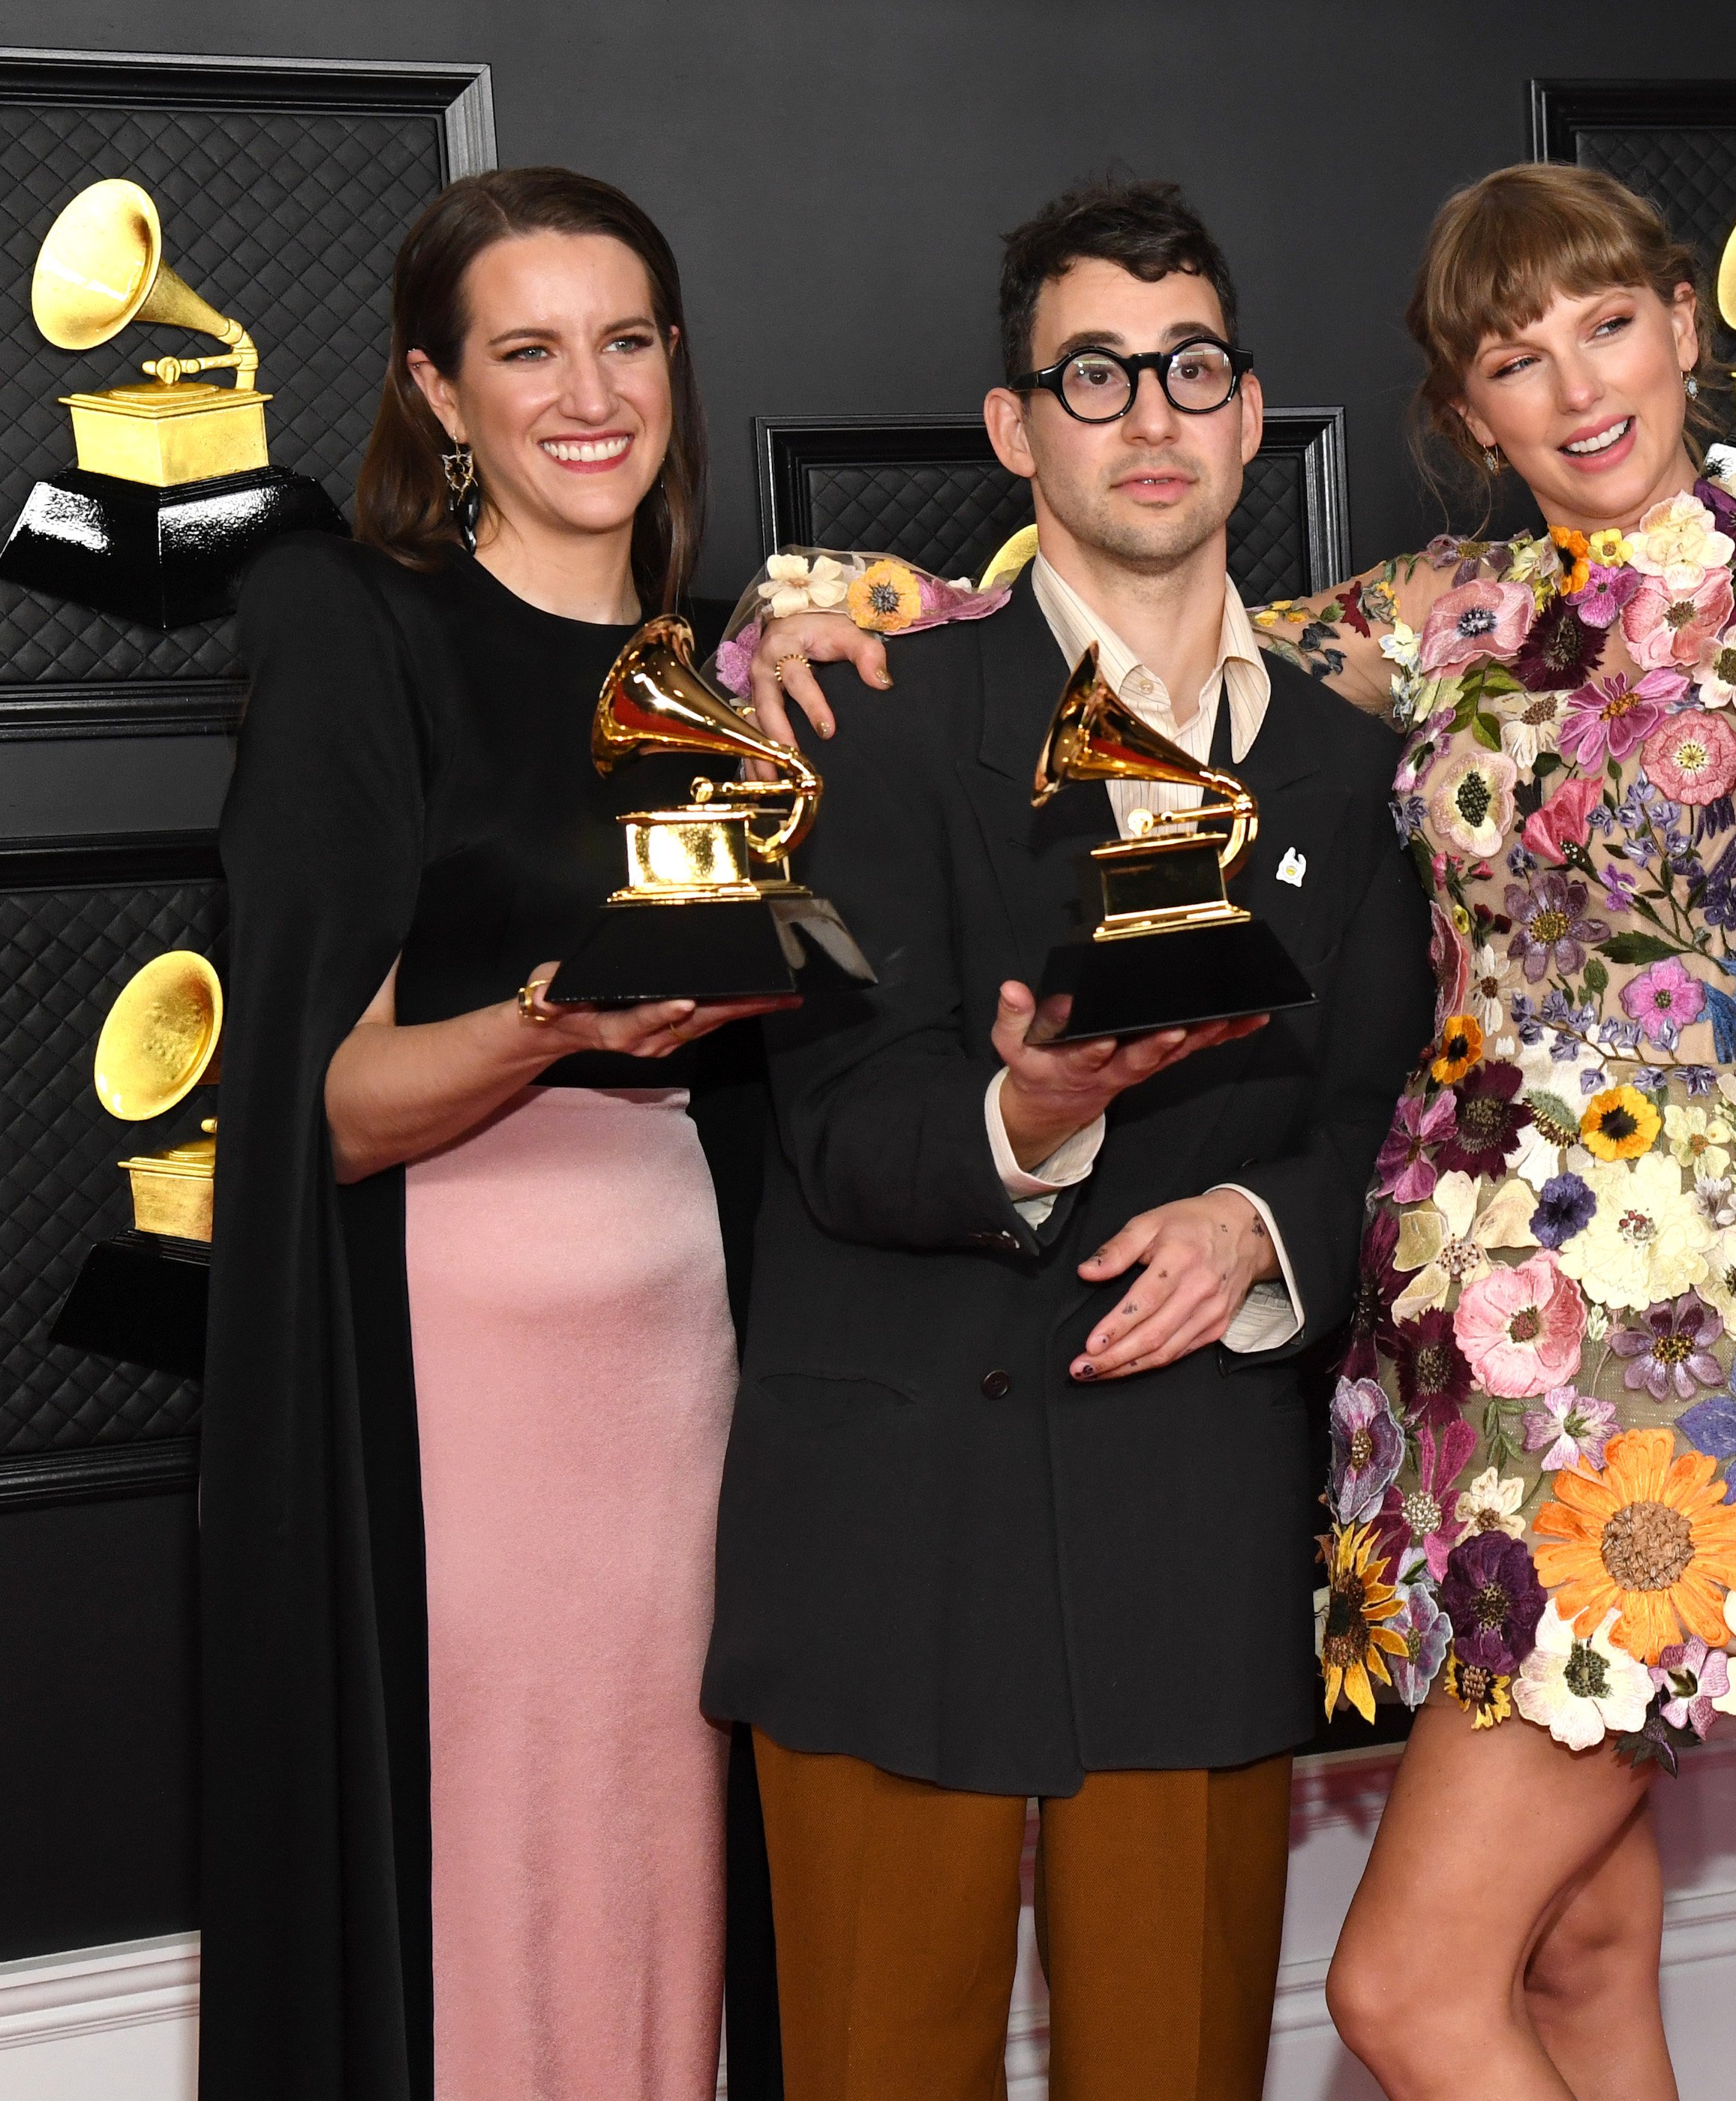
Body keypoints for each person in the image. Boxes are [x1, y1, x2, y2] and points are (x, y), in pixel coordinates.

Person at [749, 161, 1736, 2101]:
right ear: (1464, 414)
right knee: (1574, 1950)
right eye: (1512, 356)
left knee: (1404, 1995)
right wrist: (861, 616)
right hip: (1454, 1335)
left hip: (1677, 1334)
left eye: (1607, 325)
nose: (1576, 388)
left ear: (1684, 327)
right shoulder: (1436, 613)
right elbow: (1139, 626)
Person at [700, 179, 1433, 2101]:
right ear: (1016, 430)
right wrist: (1025, 1117)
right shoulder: (865, 715)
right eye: (1093, 375)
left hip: (1184, 1524)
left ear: (1252, 408)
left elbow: (1380, 1114)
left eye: (1190, 365)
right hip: (883, 1532)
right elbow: (839, 1118)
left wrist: (1257, 1233)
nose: (1152, 413)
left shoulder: (1358, 773)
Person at [206, 169, 781, 2101]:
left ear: (674, 368)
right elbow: (332, 1108)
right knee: (487, 1855)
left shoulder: (739, 669)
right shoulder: (362, 627)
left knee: (671, 1846)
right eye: (526, 350)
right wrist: (556, 1023)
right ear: (440, 397)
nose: (587, 391)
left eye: (625, 340)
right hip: (467, 1376)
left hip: (692, 1357)